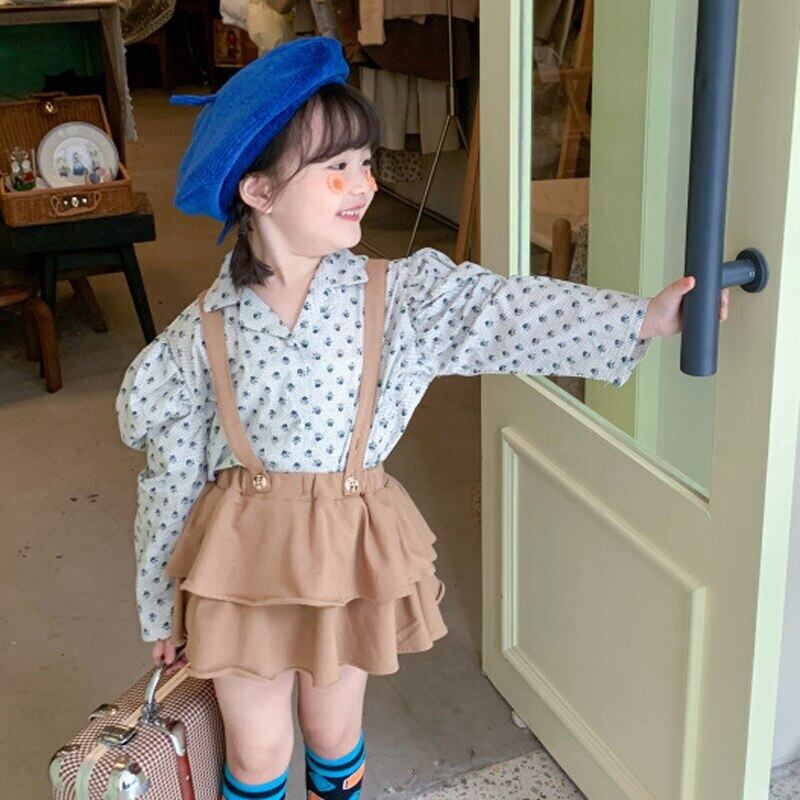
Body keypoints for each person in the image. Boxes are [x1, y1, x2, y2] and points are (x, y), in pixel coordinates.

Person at [115, 36, 729, 800]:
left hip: (345, 549)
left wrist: (641, 319)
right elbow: (169, 480)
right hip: (241, 563)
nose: (363, 185)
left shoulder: (398, 296)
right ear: (258, 190)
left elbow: (504, 310)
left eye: (365, 162)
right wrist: (158, 609)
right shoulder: (200, 333)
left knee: (332, 732)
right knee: (256, 752)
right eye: (336, 167)